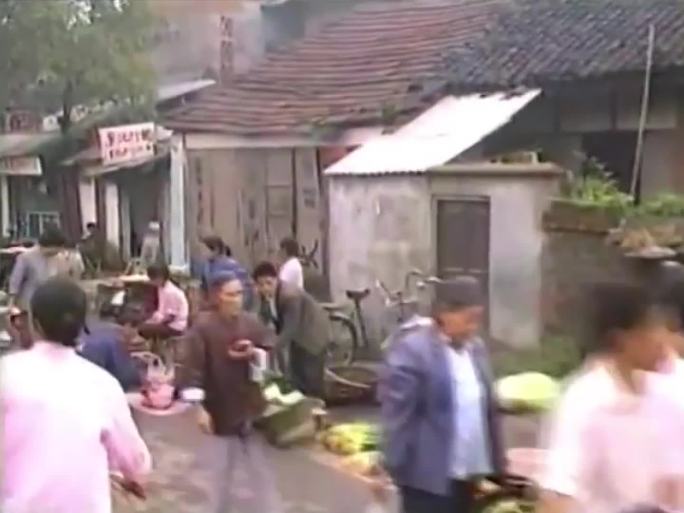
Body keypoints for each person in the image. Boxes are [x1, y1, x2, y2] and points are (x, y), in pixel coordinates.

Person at [1, 278, 151, 513]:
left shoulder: (6, 373)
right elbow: (137, 463)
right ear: (82, 325)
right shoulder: (103, 384)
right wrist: (130, 478)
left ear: (34, 323)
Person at [539, 282, 684, 513]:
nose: (663, 339)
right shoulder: (588, 401)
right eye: (652, 329)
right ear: (622, 339)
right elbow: (560, 493)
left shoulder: (668, 390)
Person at [379, 277, 503, 513]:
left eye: (477, 319)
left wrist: (498, 464)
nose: (473, 327)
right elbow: (398, 415)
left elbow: (488, 410)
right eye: (468, 319)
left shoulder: (476, 349)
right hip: (428, 482)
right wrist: (388, 466)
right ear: (444, 313)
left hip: (468, 477)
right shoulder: (414, 351)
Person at [180, 271, 282, 513]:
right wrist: (199, 408)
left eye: (240, 293)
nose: (237, 299)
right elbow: (192, 368)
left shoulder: (250, 322)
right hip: (220, 407)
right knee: (220, 474)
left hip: (250, 405)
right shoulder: (203, 328)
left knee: (261, 472)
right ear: (217, 297)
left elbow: (268, 348)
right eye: (231, 294)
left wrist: (255, 352)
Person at [253, 261, 329, 397]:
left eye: (268, 283)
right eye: (260, 284)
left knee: (310, 377)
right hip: (299, 337)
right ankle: (303, 406)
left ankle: (317, 408)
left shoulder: (290, 296)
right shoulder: (266, 296)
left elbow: (290, 328)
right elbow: (264, 318)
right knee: (297, 376)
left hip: (313, 334)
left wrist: (272, 348)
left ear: (276, 280)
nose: (265, 288)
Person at [78, 306, 144, 391]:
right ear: (128, 326)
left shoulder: (96, 335)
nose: (136, 333)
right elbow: (125, 377)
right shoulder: (111, 343)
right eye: (135, 328)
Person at [7, 225, 67, 311]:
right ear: (50, 245)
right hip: (29, 301)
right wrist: (11, 304)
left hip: (51, 301)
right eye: (57, 248)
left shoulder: (59, 258)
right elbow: (15, 281)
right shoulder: (26, 257)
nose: (59, 251)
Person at [200, 235, 253, 310]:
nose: (202, 252)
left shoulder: (231, 265)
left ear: (215, 250)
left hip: (231, 307)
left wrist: (241, 306)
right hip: (215, 309)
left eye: (204, 249)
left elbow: (246, 287)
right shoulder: (207, 266)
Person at [138, 263, 189, 340]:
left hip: (175, 326)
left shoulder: (171, 292)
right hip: (165, 322)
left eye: (153, 278)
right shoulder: (161, 288)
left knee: (142, 329)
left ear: (161, 278)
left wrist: (155, 323)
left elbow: (171, 316)